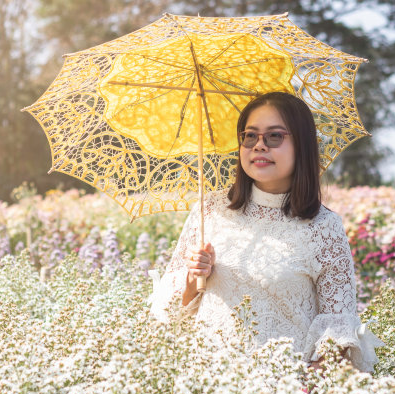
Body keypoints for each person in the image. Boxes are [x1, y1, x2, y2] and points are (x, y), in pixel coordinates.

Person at [149, 92, 383, 372]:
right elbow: (168, 314)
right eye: (249, 136)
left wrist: (304, 391)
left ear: (302, 145)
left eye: (274, 137)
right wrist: (192, 277)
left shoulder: (324, 227)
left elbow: (337, 327)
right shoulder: (209, 210)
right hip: (208, 385)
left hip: (286, 389)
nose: (259, 146)